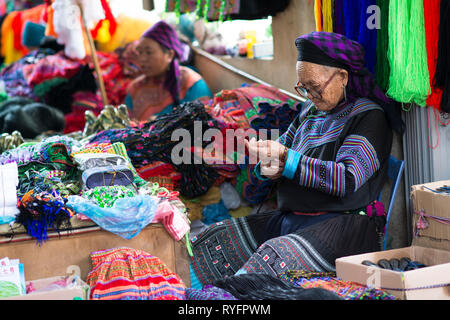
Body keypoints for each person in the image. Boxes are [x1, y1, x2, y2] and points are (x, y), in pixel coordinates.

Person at [188, 31, 404, 288]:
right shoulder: (310, 113)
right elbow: (283, 150)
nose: (309, 94)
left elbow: (347, 178)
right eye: (303, 87)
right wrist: (268, 165)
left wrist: (285, 159)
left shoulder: (368, 117)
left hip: (344, 227)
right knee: (214, 238)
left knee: (271, 258)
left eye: (314, 87)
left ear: (343, 77)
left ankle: (220, 300)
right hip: (295, 220)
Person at [124, 20, 212, 122]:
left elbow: (204, 124)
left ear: (170, 55)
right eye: (140, 52)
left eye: (149, 52)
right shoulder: (135, 89)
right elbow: (127, 126)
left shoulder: (191, 84)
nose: (142, 59)